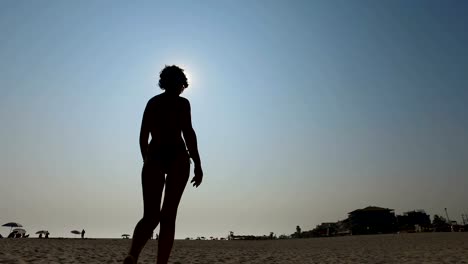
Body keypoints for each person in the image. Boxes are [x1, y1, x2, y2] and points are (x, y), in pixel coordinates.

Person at [124, 65, 203, 264]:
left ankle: (134, 255)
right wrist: (198, 164)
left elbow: (143, 136)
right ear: (179, 83)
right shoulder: (180, 103)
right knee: (166, 217)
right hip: (173, 156)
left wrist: (147, 159)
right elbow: (188, 133)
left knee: (152, 217)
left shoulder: (156, 102)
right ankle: (148, 260)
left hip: (161, 156)